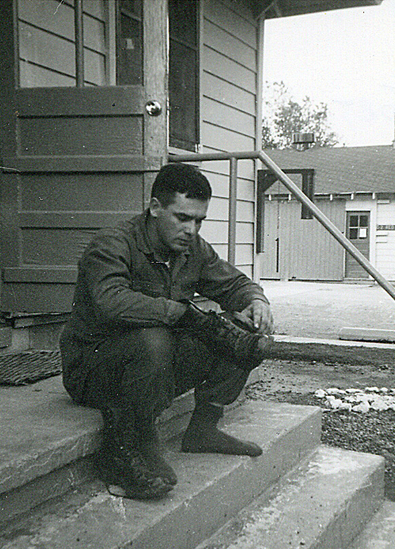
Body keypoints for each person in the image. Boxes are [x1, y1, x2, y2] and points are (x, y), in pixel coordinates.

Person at [60, 163, 274, 500]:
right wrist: (183, 314)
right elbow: (110, 302)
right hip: (94, 371)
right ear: (156, 207)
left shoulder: (192, 250)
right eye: (182, 217)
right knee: (155, 338)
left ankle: (204, 428)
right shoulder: (111, 244)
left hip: (152, 368)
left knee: (240, 333)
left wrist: (256, 301)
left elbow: (234, 284)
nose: (191, 229)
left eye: (199, 220)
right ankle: (135, 445)